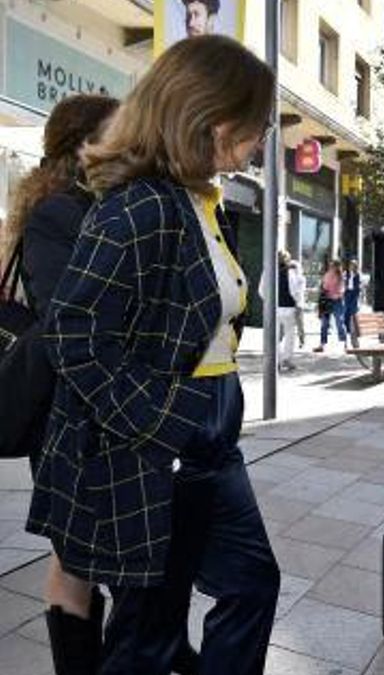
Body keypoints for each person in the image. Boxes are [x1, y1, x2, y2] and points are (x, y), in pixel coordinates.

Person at [26, 35, 280, 675]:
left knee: (250, 585)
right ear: (214, 118)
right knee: (149, 633)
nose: (263, 139)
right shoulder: (142, 206)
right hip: (160, 441)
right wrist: (164, 423)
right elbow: (75, 334)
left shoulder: (200, 201)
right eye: (259, 124)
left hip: (212, 437)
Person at [6, 94, 204, 675]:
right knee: (78, 561)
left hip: (113, 408)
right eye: (122, 131)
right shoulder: (57, 213)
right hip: (64, 415)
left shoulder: (119, 204)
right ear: (85, 144)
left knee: (110, 557)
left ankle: (149, 648)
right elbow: (68, 314)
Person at [259, 250, 304, 372]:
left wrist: (268, 301)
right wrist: (299, 304)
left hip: (274, 308)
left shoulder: (268, 270)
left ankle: (277, 360)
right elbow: (297, 290)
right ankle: (286, 359)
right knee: (290, 335)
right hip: (289, 308)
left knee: (274, 335)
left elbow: (261, 290)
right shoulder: (292, 271)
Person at [314, 259, 346, 353]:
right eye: (331, 266)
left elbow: (342, 289)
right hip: (327, 301)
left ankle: (345, 342)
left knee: (339, 322)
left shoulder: (341, 276)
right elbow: (324, 287)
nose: (331, 267)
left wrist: (337, 294)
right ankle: (322, 344)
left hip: (337, 301)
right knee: (325, 323)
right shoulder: (327, 275)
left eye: (333, 266)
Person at [342, 259, 362, 347]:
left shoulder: (357, 275)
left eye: (353, 265)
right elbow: (343, 282)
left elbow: (359, 286)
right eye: (351, 265)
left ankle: (355, 332)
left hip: (354, 294)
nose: (351, 267)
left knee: (353, 313)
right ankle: (347, 331)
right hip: (347, 294)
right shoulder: (346, 274)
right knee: (346, 313)